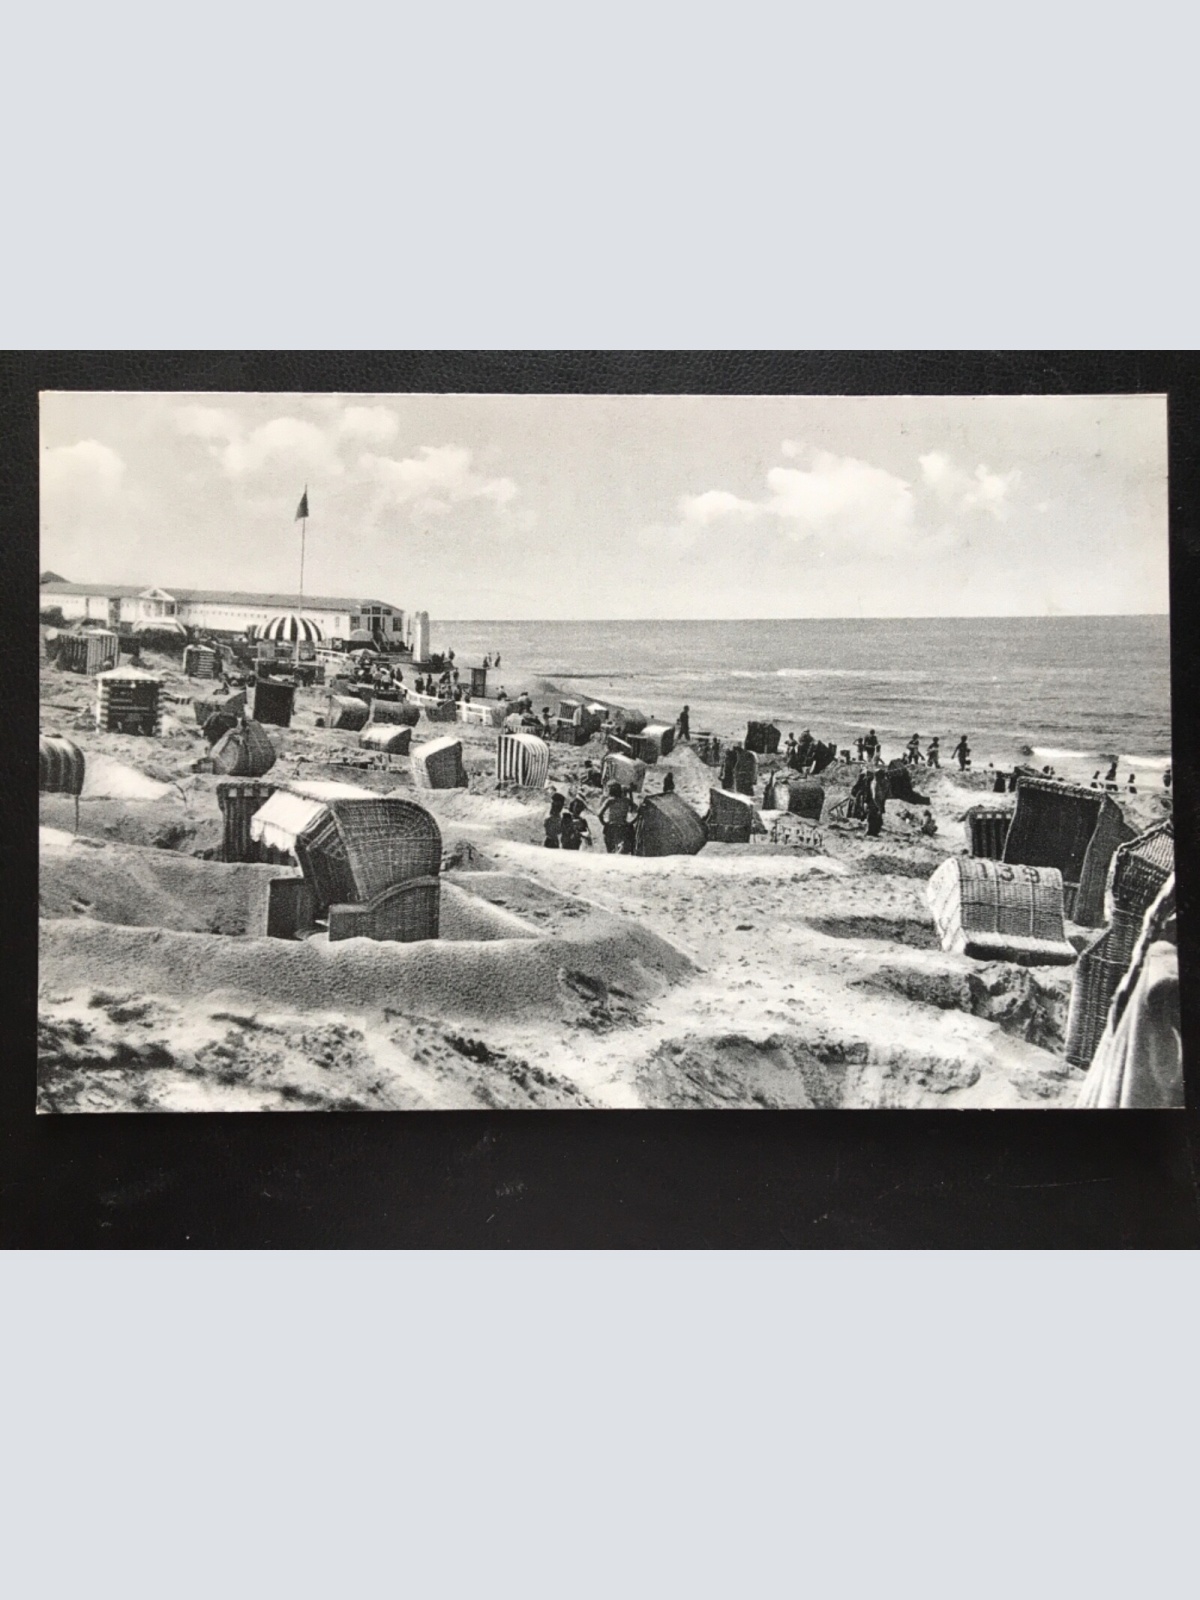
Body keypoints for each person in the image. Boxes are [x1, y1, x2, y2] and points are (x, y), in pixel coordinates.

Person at [598, 783, 632, 853]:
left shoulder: (610, 800)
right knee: (622, 848)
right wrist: (631, 823)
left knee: (610, 850)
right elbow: (637, 810)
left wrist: (604, 823)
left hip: (611, 826)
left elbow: (599, 814)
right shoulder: (627, 800)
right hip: (623, 827)